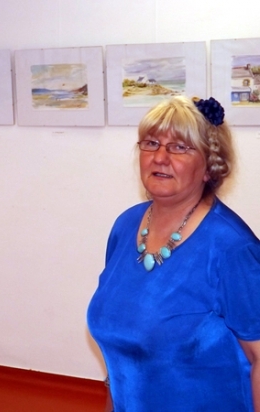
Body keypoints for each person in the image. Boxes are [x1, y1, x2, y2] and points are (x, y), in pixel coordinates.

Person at [87, 95, 260, 411]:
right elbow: (121, 350)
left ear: (209, 166)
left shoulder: (233, 249)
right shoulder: (126, 226)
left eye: (180, 147)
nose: (160, 157)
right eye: (151, 143)